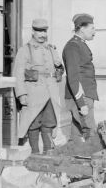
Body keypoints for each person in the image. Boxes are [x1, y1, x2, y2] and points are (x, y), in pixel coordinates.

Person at [13, 18, 64, 154]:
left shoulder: (50, 49)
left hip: (50, 93)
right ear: (33, 32)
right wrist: (21, 94)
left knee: (49, 123)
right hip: (33, 93)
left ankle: (48, 152)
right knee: (33, 123)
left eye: (44, 31)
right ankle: (34, 152)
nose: (42, 35)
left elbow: (58, 68)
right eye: (39, 31)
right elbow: (18, 74)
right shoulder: (25, 50)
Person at [62, 13, 98, 141]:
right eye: (92, 28)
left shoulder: (80, 44)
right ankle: (91, 159)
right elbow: (73, 77)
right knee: (90, 133)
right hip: (81, 97)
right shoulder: (73, 46)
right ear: (82, 28)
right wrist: (81, 104)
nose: (95, 31)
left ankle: (73, 158)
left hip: (86, 96)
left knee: (76, 133)